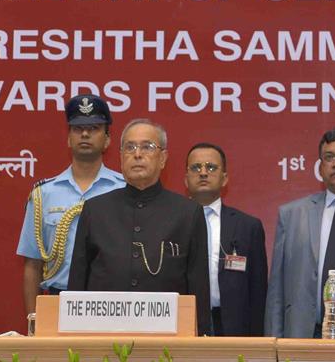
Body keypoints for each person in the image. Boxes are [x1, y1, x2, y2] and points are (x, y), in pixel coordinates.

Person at [67, 118, 210, 334]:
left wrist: (201, 343)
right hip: (101, 336)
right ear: (121, 157)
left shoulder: (188, 213)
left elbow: (198, 288)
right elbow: (77, 286)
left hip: (167, 341)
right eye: (129, 147)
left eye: (147, 147)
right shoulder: (95, 211)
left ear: (163, 158)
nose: (137, 154)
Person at [16, 93, 123, 319]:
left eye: (93, 128)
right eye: (77, 128)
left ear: (107, 139)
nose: (84, 133)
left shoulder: (124, 190)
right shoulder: (44, 194)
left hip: (112, 304)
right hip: (58, 301)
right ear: (68, 138)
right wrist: (33, 321)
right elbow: (32, 264)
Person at [265, 126, 335, 338]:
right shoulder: (292, 214)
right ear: (320, 168)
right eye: (329, 157)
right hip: (304, 335)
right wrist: (272, 343)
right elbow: (277, 291)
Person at [184, 142, 267, 336]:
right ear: (186, 179)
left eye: (211, 167)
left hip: (233, 327)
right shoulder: (169, 222)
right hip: (185, 325)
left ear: (224, 178)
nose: (203, 173)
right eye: (196, 168)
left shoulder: (248, 226)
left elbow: (258, 293)